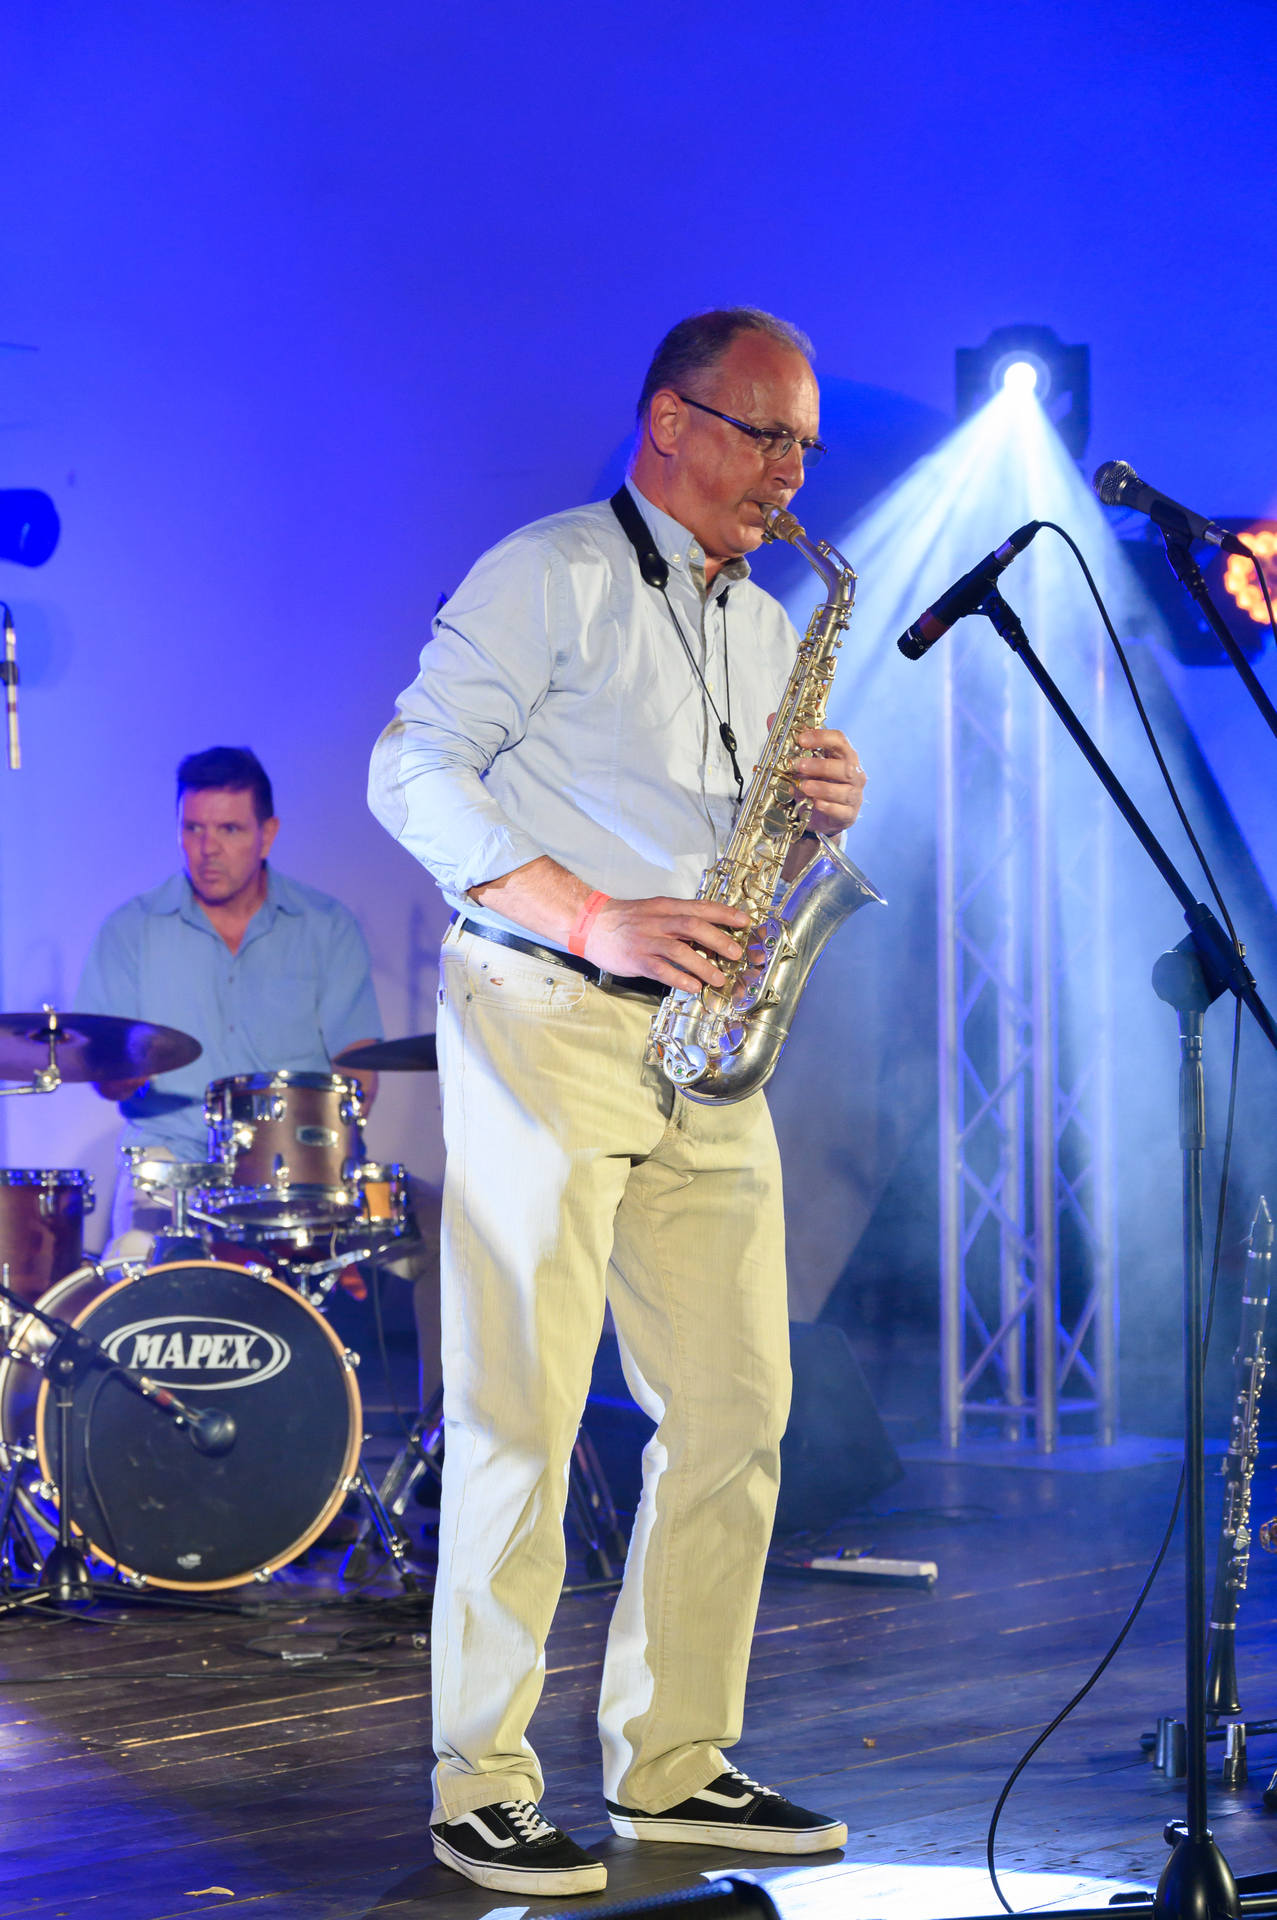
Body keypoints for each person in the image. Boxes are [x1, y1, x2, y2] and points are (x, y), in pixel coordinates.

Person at [369, 308, 867, 1898]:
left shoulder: (764, 623)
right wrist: (592, 915)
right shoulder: (549, 572)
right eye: (764, 437)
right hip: (545, 1010)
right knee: (521, 1411)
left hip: (704, 1043)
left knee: (735, 1410)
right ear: (668, 421)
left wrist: (814, 817)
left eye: (804, 449)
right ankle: (480, 1782)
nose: (789, 476)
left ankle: (674, 1763)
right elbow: (409, 769)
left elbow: (727, 841)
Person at [78, 746, 384, 1250]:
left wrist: (329, 1144)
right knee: (133, 1258)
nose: (208, 848)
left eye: (229, 829)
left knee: (415, 1250)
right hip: (171, 1158)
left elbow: (358, 1063)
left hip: (296, 1166)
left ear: (268, 834)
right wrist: (117, 1074)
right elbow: (102, 1070)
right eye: (193, 828)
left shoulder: (326, 926)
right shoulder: (130, 930)